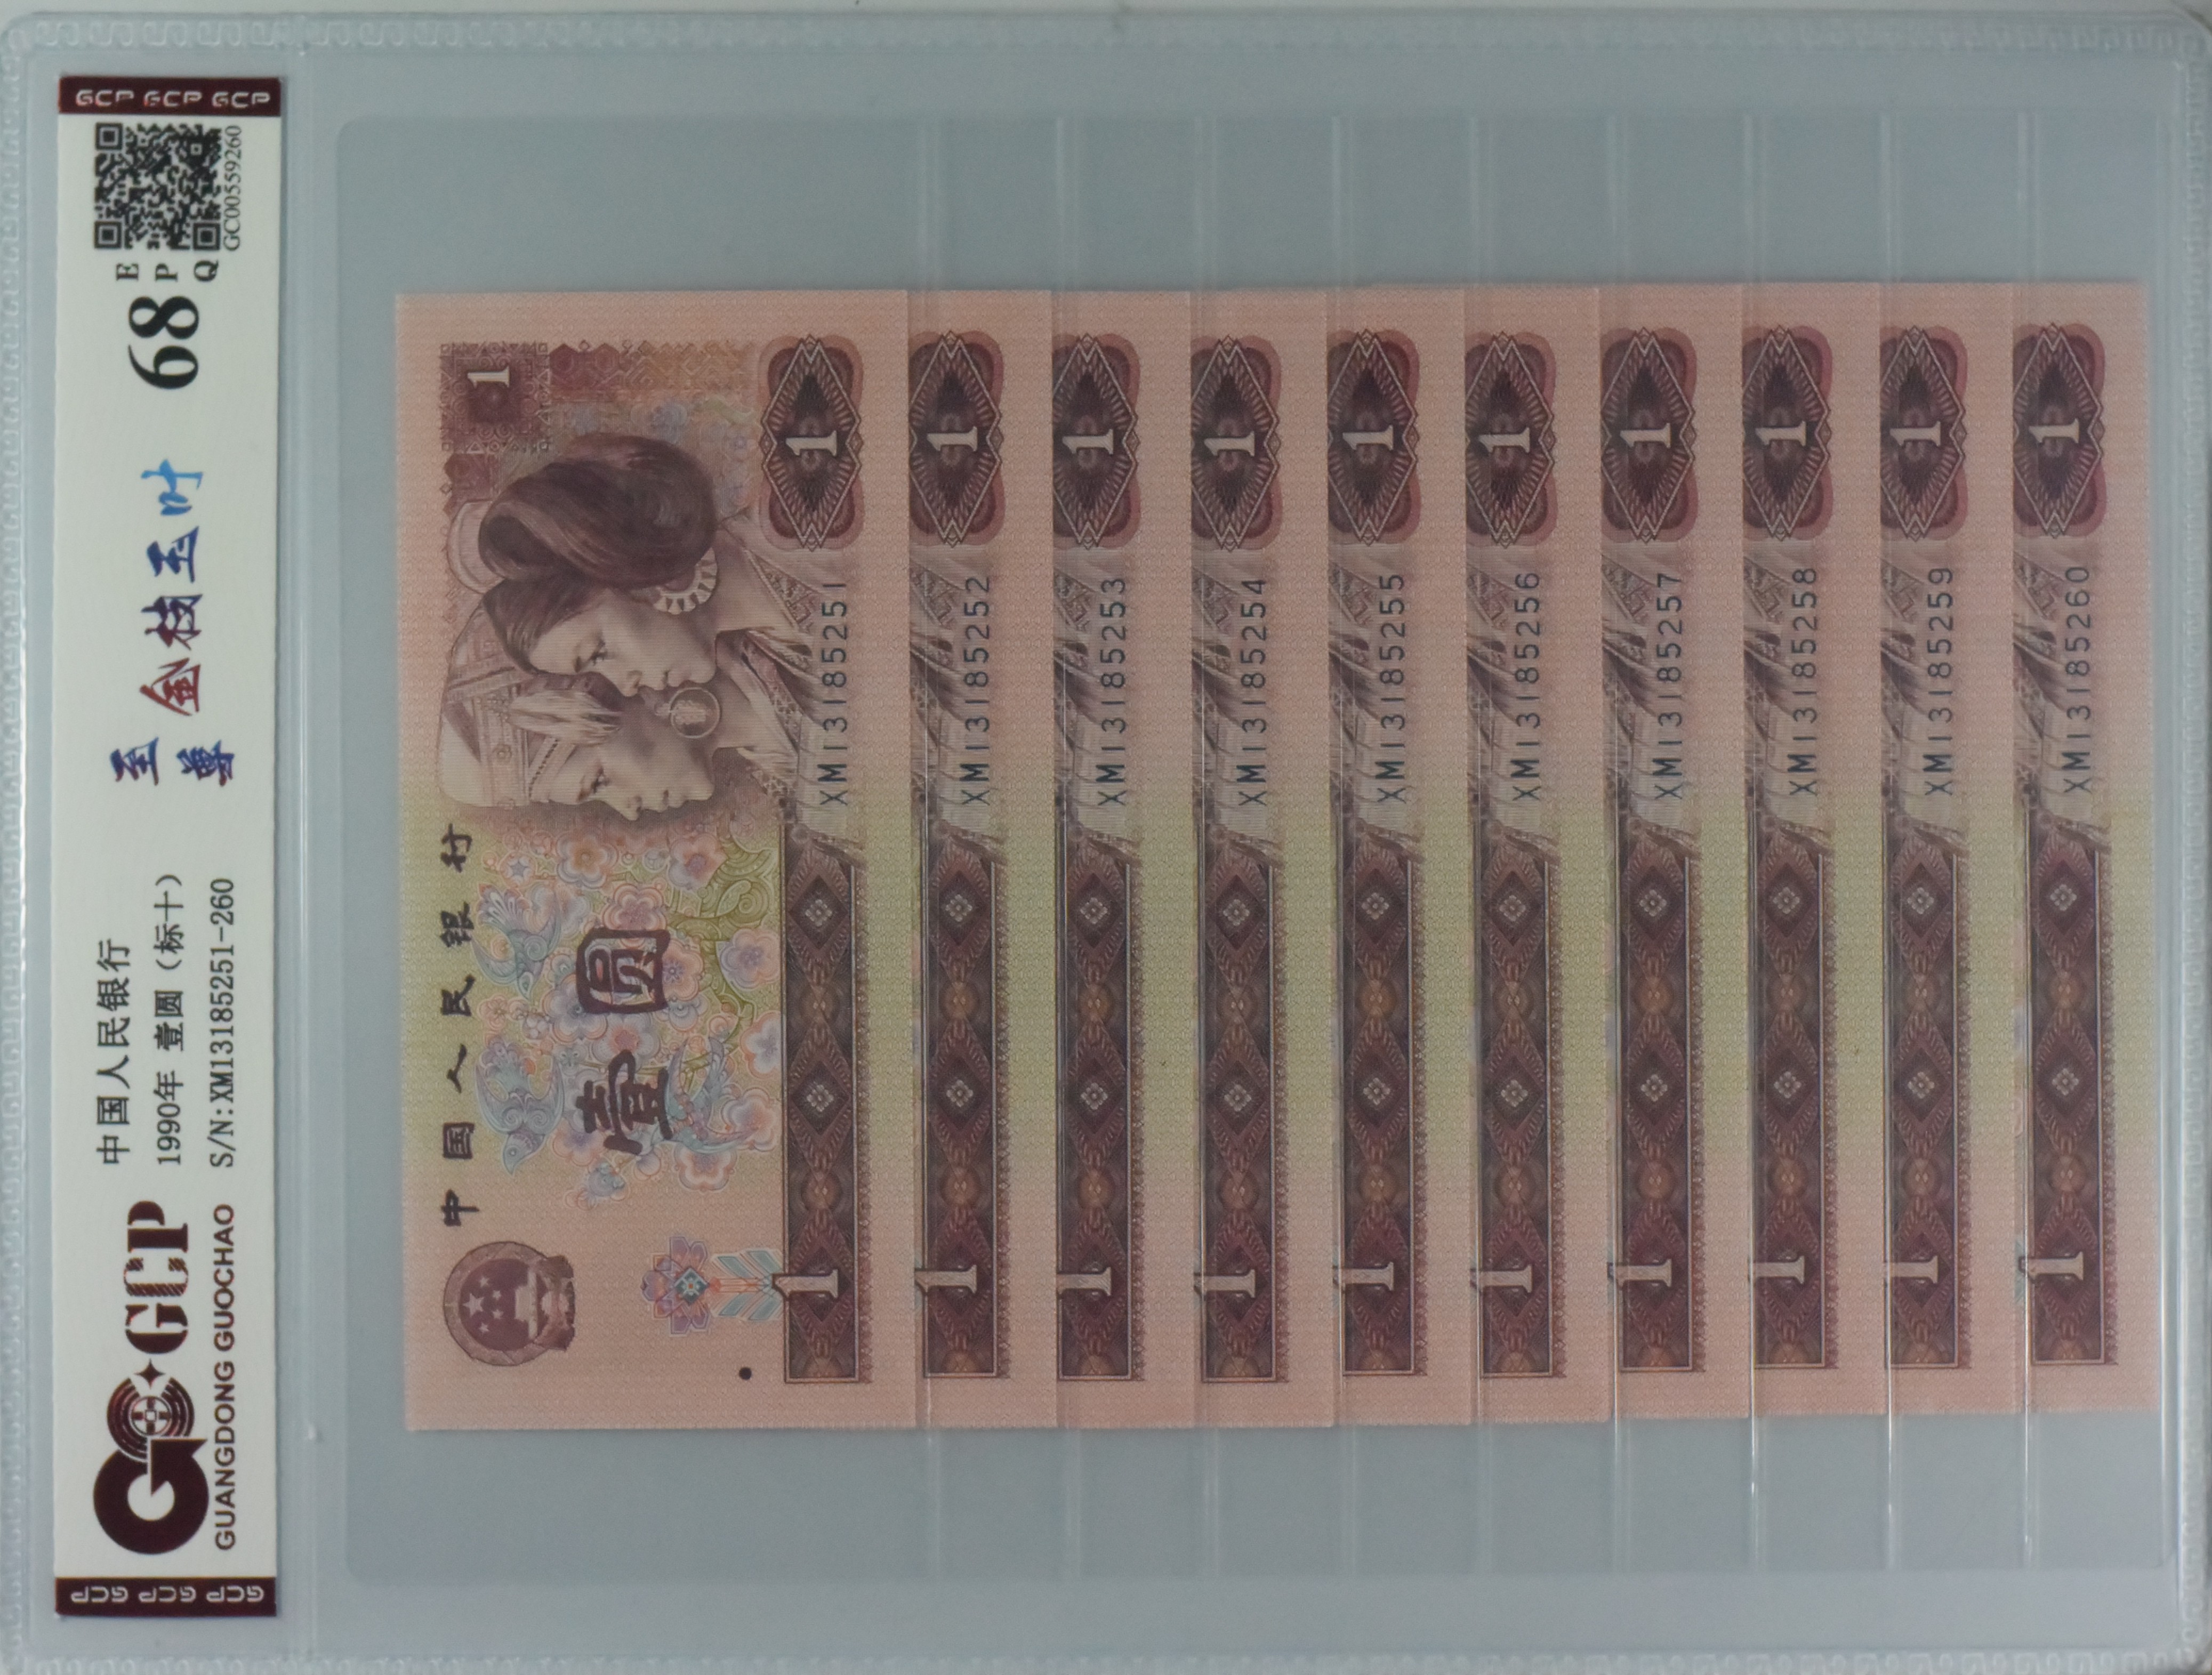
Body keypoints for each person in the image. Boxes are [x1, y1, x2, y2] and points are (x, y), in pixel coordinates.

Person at [464, 432, 810, 703]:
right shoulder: (763, 672)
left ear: (630, 574)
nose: (626, 688)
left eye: (598, 654)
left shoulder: (809, 536)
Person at [437, 607, 795, 820]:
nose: (629, 810)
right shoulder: (786, 774)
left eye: (599, 783)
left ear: (620, 691)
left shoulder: (791, 636)